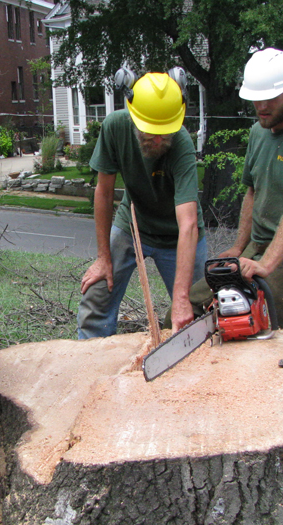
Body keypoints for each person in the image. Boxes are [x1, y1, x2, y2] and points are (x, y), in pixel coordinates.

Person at [192, 48, 283, 333]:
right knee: (196, 303)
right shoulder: (259, 132)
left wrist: (268, 263)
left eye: (269, 98)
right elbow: (252, 193)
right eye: (255, 99)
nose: (261, 106)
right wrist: (238, 246)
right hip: (255, 245)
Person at [77, 70, 208, 338]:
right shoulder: (115, 127)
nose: (158, 140)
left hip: (176, 235)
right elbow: (103, 192)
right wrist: (104, 259)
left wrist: (182, 297)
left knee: (196, 314)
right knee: (97, 295)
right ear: (133, 116)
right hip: (132, 222)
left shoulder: (182, 144)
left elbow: (188, 223)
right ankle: (89, 363)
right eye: (150, 132)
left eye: (165, 132)